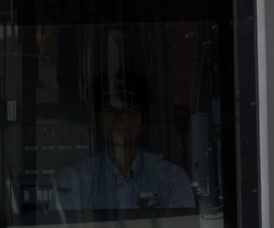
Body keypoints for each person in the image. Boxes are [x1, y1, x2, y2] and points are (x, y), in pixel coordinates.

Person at [55, 71, 195, 213]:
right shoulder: (74, 178)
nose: (119, 119)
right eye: (109, 110)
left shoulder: (172, 178)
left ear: (144, 119)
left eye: (129, 110)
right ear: (96, 119)